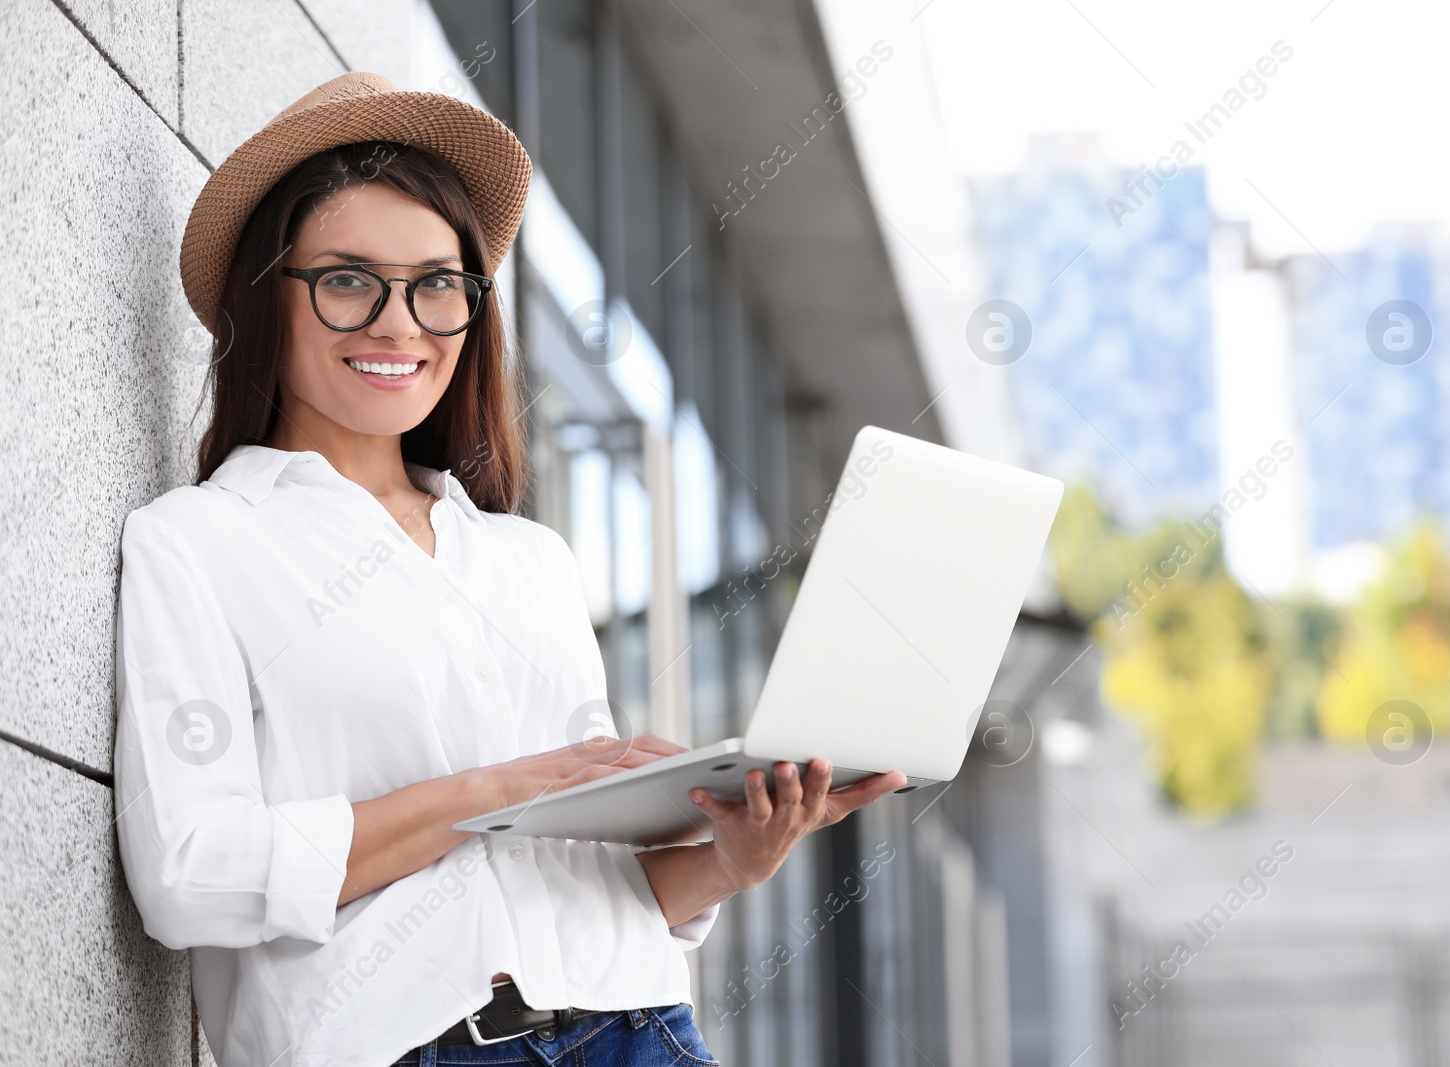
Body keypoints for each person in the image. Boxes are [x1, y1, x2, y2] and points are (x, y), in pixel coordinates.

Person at [112, 71, 906, 1067]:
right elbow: (189, 872)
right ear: (264, 300)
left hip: (647, 1029)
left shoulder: (529, 559)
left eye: (438, 285)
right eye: (348, 279)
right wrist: (491, 791)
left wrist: (728, 859)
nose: (400, 325)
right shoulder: (200, 541)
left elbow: (580, 879)